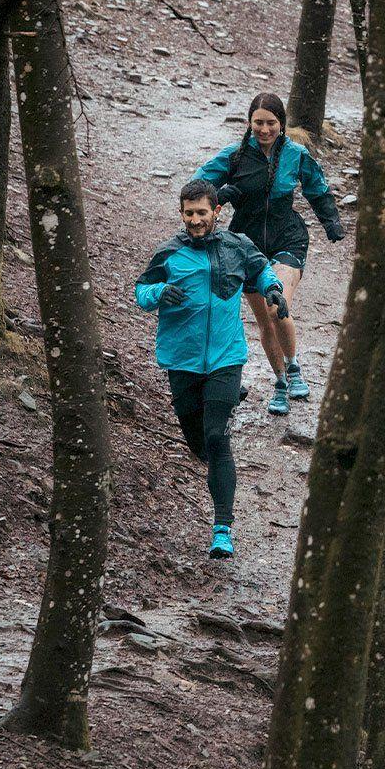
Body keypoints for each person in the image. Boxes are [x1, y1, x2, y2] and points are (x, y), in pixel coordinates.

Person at [134, 180, 289, 558]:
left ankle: (222, 529)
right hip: (181, 359)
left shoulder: (236, 246)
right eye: (189, 213)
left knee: (218, 439)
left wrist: (273, 289)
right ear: (182, 213)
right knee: (198, 441)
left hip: (225, 356)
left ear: (216, 212)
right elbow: (141, 292)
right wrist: (158, 294)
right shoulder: (169, 253)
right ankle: (222, 403)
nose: (196, 219)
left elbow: (262, 270)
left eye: (202, 212)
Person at [192, 92, 346, 416]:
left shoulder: (295, 154)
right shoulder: (234, 158)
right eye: (258, 122)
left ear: (281, 124)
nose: (264, 129)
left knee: (279, 307)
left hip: (286, 236)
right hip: (245, 246)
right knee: (265, 322)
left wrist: (332, 222)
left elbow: (316, 187)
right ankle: (279, 384)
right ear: (250, 123)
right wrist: (221, 193)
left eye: (271, 123)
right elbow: (197, 187)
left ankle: (293, 367)